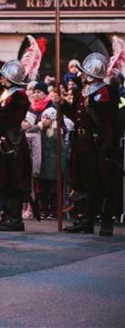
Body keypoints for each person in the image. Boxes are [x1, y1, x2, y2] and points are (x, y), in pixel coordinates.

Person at [59, 52, 120, 236]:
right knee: (84, 182)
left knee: (103, 183)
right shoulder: (83, 90)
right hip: (82, 144)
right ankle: (86, 220)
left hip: (98, 145)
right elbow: (74, 115)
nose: (82, 74)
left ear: (92, 74)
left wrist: (108, 145)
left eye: (85, 71)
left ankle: (106, 221)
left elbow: (110, 121)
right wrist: (62, 103)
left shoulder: (106, 91)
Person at [0, 60, 32, 232]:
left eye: (3, 75)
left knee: (13, 180)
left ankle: (15, 219)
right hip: (1, 143)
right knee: (2, 180)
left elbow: (10, 119)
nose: (0, 78)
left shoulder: (20, 95)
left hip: (13, 144)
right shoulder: (5, 93)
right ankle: (6, 216)